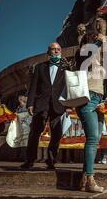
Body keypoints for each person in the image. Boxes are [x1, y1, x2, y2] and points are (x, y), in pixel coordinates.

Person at [21, 42, 71, 170]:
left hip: (58, 105)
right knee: (35, 132)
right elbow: (33, 87)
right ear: (48, 52)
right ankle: (30, 160)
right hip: (41, 104)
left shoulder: (66, 67)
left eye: (58, 49)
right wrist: (30, 103)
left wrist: (69, 105)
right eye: (53, 49)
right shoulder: (39, 67)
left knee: (57, 134)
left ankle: (51, 160)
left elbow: (70, 86)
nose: (56, 51)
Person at [75, 32, 106, 192]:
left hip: (99, 100)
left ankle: (83, 179)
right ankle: (90, 180)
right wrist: (99, 40)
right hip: (87, 99)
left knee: (96, 139)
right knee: (92, 138)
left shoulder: (98, 61)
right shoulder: (83, 54)